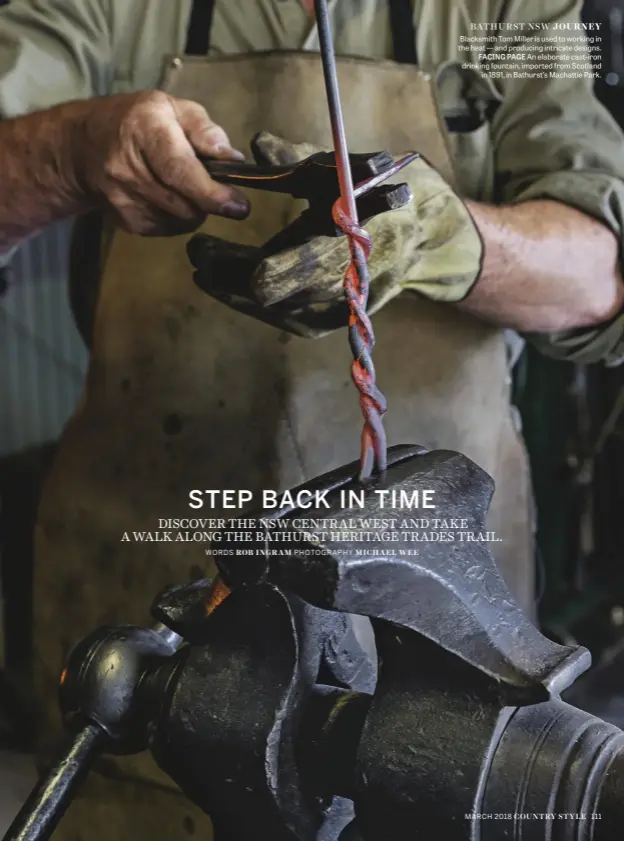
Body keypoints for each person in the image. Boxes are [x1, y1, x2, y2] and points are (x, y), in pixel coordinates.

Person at [1, 0, 624, 838]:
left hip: (433, 620)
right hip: (150, 592)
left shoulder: (503, 12)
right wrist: (69, 153)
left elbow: (600, 272)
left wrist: (454, 240)